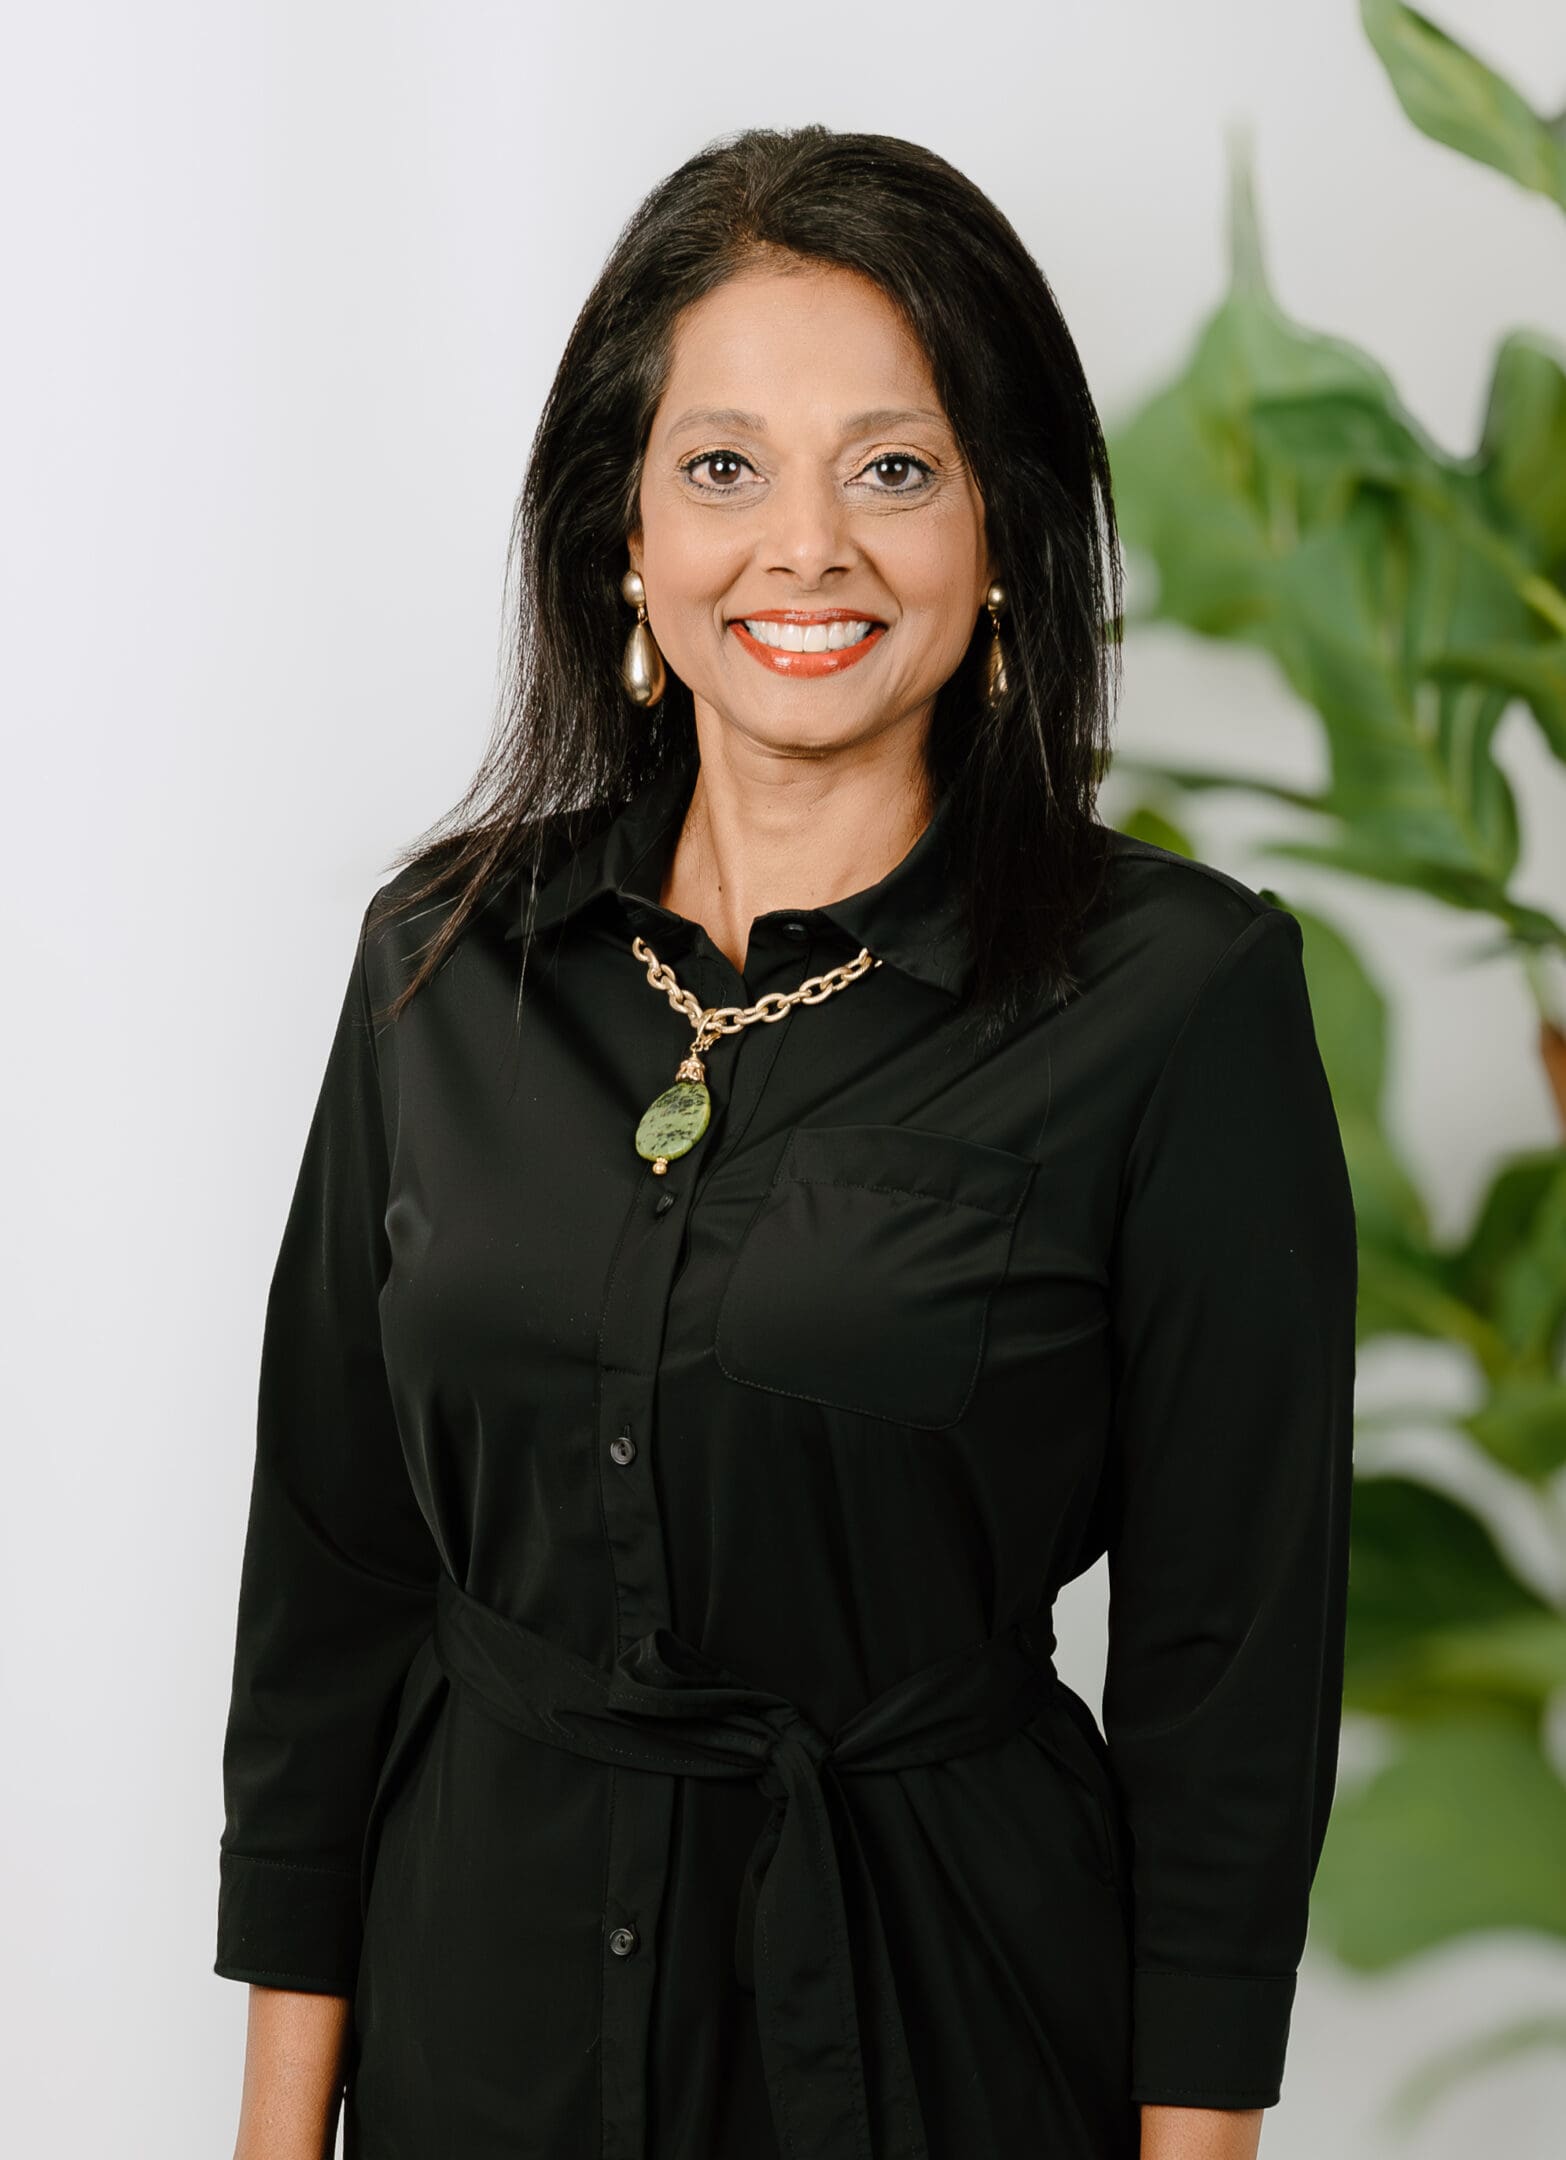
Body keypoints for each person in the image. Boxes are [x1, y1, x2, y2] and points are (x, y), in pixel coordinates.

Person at [213, 125, 1358, 2160]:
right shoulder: (444, 960)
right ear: (624, 542)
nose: (805, 547)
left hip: (944, 2034)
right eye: (723, 468)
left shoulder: (1179, 999)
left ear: (1003, 530)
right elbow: (327, 1592)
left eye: (895, 468)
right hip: (484, 2023)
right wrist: (275, 2135)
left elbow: (1226, 1698)